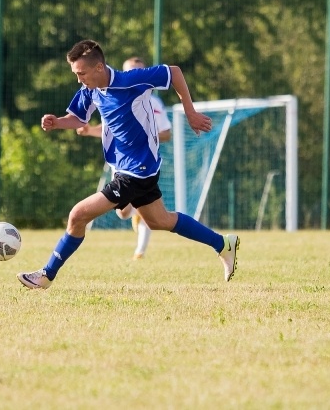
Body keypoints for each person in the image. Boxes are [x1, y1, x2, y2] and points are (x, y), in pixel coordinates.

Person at [17, 39, 239, 289]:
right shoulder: (91, 90)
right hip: (132, 169)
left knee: (77, 216)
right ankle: (223, 244)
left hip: (137, 170)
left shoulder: (130, 81)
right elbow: (77, 117)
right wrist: (57, 122)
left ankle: (46, 275)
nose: (79, 79)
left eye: (81, 73)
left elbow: (174, 72)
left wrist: (190, 112)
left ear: (99, 67)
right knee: (159, 221)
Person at [77, 56, 172, 259]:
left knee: (149, 212)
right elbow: (110, 127)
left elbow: (166, 133)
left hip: (142, 162)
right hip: (119, 161)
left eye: (138, 70)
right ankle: (139, 215)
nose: (133, 75)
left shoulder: (153, 102)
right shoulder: (111, 93)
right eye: (130, 70)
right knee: (123, 212)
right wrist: (89, 131)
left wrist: (145, 133)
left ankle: (140, 250)